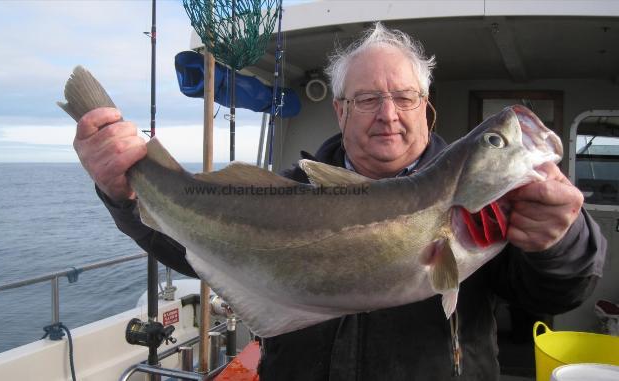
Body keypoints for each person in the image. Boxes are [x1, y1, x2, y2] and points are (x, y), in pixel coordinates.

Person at [74, 23, 606, 380]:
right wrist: (123, 193)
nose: (387, 114)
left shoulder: (494, 204)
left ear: (426, 108)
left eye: (403, 98)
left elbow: (557, 292)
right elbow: (189, 246)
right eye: (368, 99)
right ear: (340, 111)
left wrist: (562, 239)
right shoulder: (285, 196)